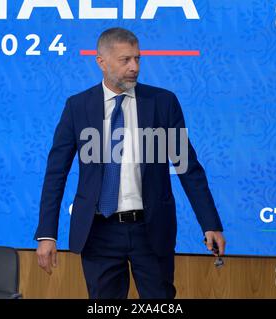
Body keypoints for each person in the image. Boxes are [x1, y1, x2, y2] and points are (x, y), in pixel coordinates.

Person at [34, 27, 225, 299]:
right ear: (101, 61)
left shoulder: (162, 102)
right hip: (98, 232)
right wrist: (46, 234)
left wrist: (210, 223)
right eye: (125, 60)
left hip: (151, 228)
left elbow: (188, 167)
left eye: (137, 59)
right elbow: (56, 174)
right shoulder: (77, 107)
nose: (134, 67)